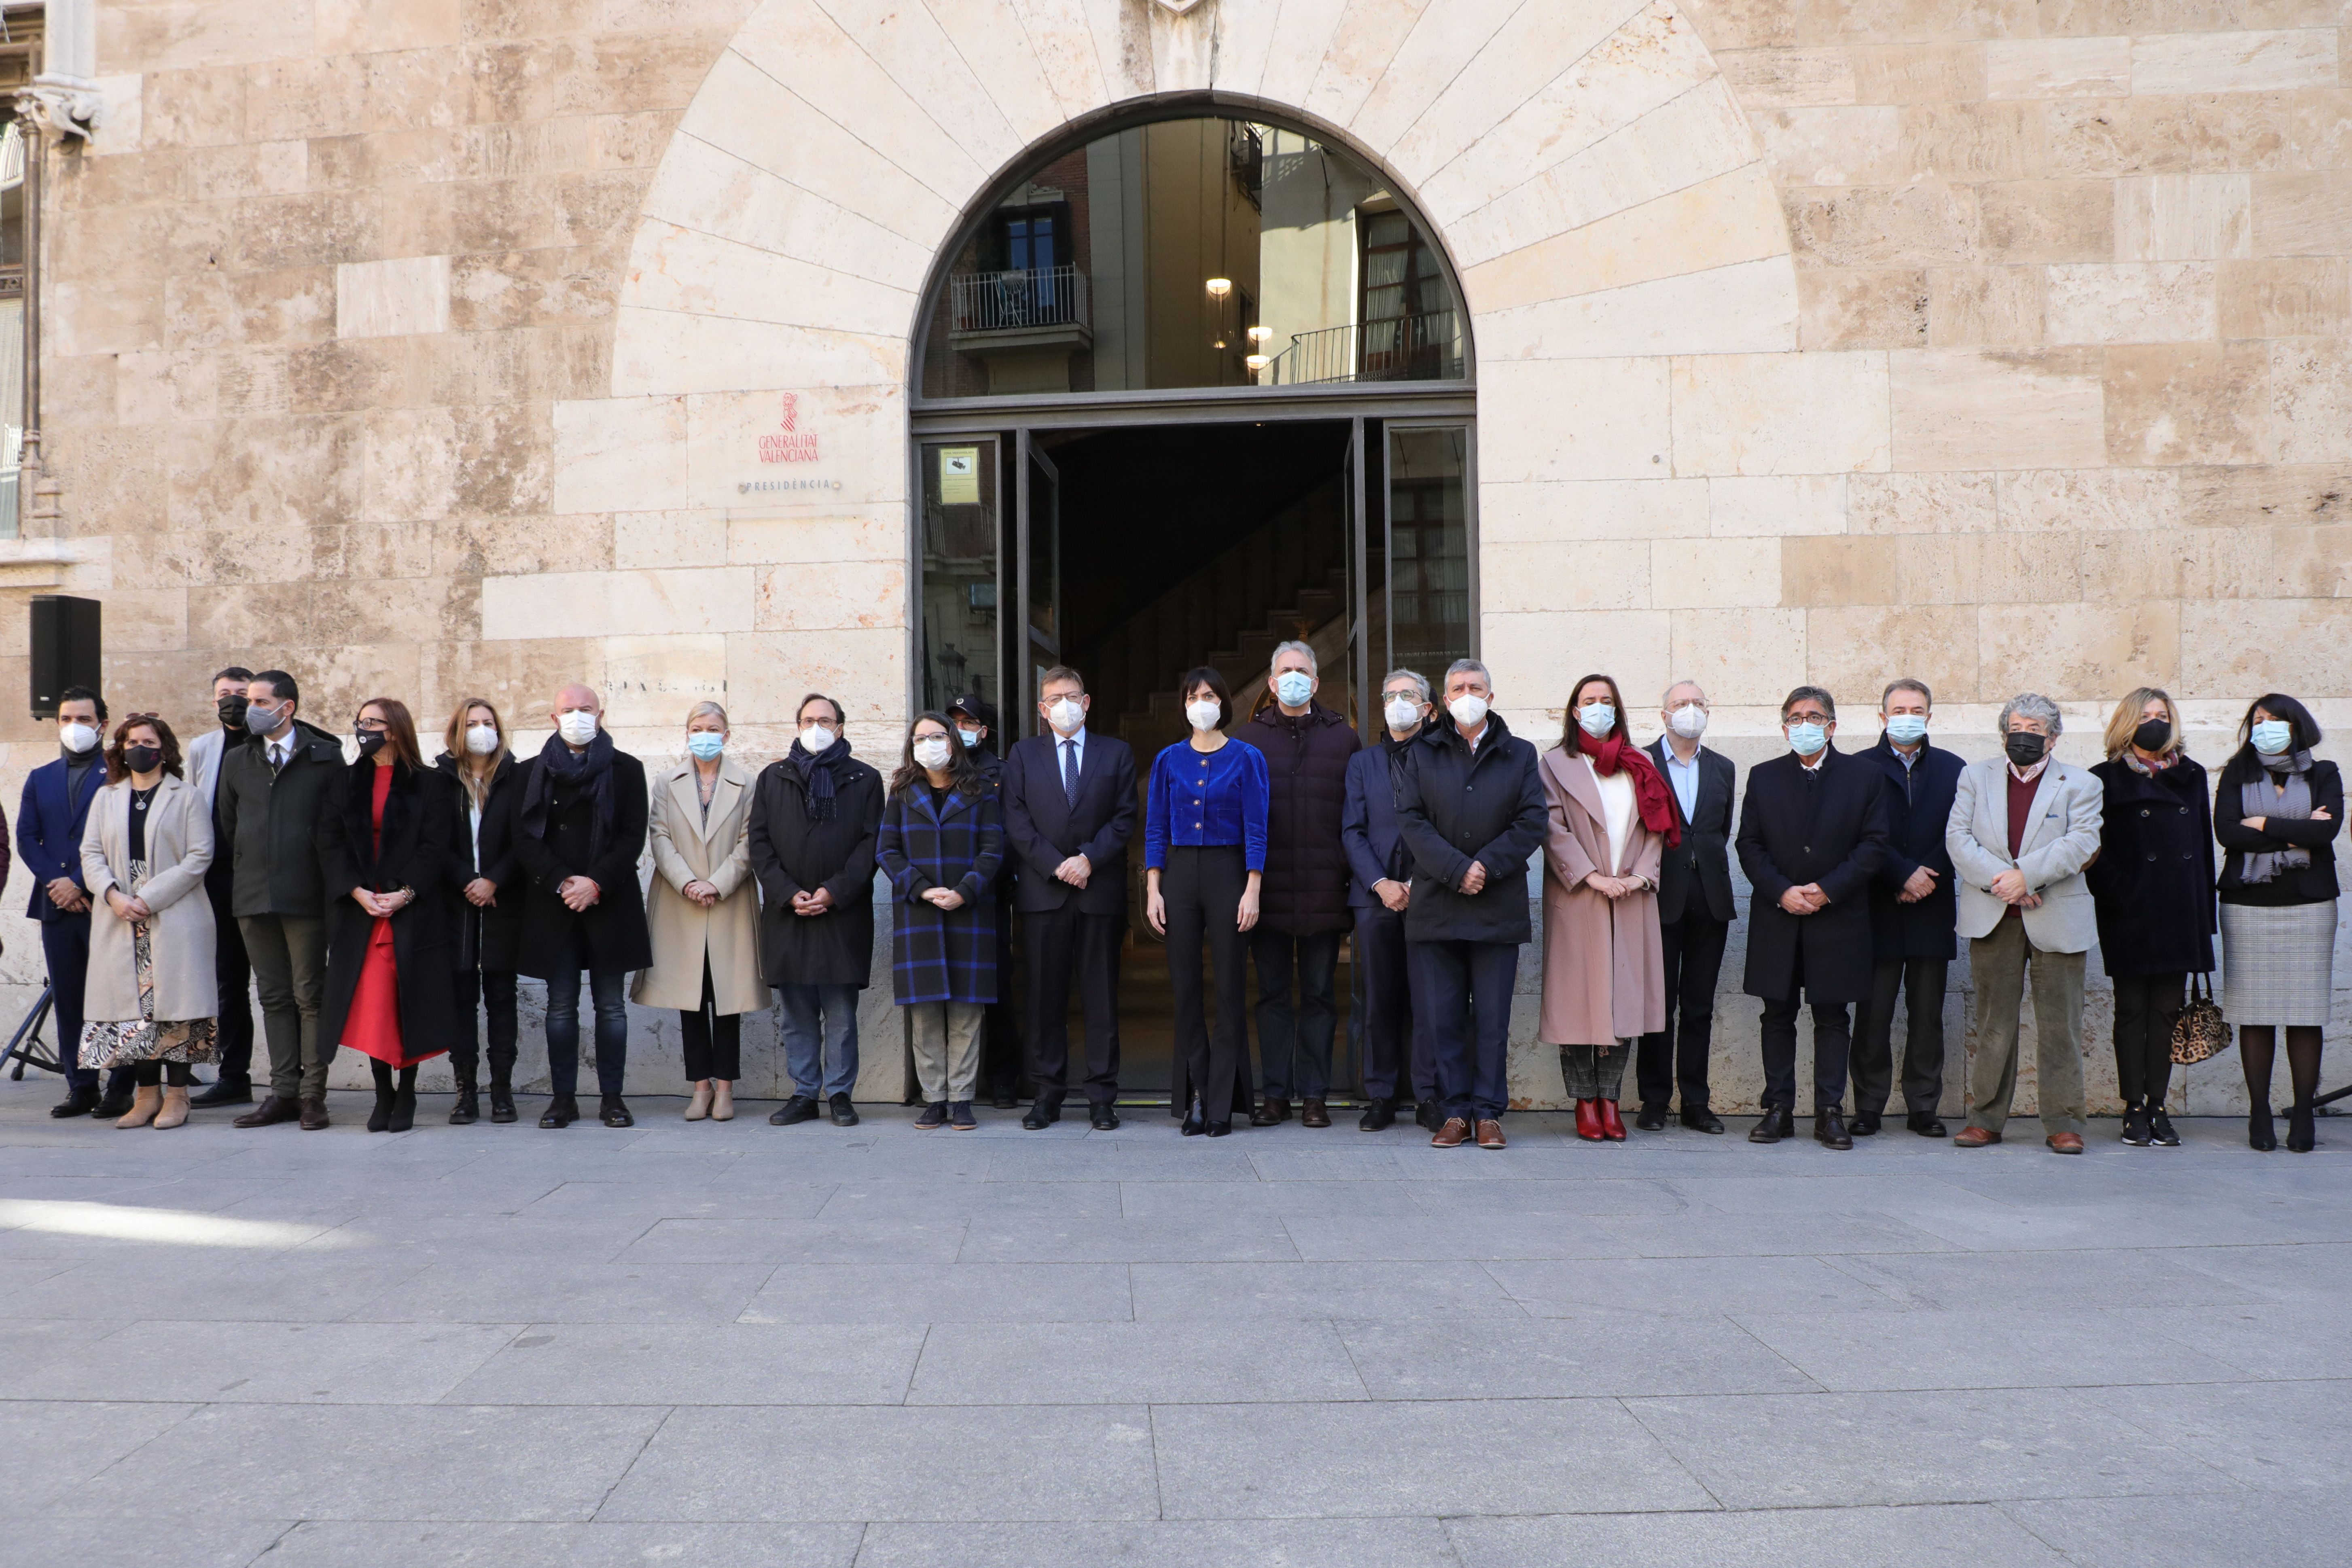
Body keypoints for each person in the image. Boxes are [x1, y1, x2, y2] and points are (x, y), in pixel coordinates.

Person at [1395, 658, 1547, 1151]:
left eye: (1475, 686)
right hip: (1438, 906)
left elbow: (1531, 821)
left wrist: (1486, 866)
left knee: (1492, 1020)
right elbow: (1412, 821)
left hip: (1496, 906)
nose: (1467, 694)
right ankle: (1455, 1111)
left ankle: (1488, 1114)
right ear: (1443, 699)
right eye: (1458, 687)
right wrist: (1457, 869)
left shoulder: (1520, 754)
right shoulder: (1422, 752)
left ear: (1491, 696)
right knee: (1443, 1018)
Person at [1946, 693, 2103, 1155]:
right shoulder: (1975, 776)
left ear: (2052, 737)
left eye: (2035, 729)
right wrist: (2006, 884)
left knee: (2062, 1024)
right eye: (2017, 727)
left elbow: (2082, 842)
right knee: (1995, 1022)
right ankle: (1986, 1119)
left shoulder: (2081, 783)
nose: (2024, 736)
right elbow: (1959, 838)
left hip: (2056, 914)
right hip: (1994, 915)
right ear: (2003, 732)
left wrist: (2027, 877)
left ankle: (2064, 1123)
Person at [1735, 686, 1890, 1150]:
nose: (1806, 724)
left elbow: (1874, 845)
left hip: (1837, 917)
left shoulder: (1865, 776)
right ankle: (1778, 1109)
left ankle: (1829, 1111)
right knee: (1777, 1014)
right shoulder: (1763, 777)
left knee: (1832, 1015)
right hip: (1778, 915)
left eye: (1815, 716)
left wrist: (1827, 891)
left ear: (1833, 725)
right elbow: (1749, 845)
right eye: (1796, 717)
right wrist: (1782, 891)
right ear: (1784, 727)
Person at [513, 684, 653, 1129]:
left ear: (601, 714)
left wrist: (595, 883)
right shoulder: (529, 773)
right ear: (554, 719)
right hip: (553, 905)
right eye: (568, 710)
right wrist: (562, 882)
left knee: (612, 1007)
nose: (577, 716)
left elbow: (633, 836)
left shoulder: (627, 770)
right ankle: (563, 1100)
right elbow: (523, 839)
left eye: (586, 709)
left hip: (608, 901)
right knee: (561, 1005)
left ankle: (613, 1099)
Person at [1233, 640, 1360, 1129]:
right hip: (1265, 893)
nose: (1293, 677)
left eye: (1301, 670)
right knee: (1271, 998)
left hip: (1325, 889)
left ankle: (1314, 1095)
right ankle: (1275, 1096)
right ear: (1270, 683)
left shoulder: (1342, 739)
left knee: (1320, 996)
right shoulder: (1248, 740)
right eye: (1284, 670)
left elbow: (1354, 817)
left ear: (1316, 681)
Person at [1538, 675, 1672, 1142]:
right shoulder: (1555, 763)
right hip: (1579, 897)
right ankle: (1584, 1102)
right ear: (1575, 712)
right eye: (1589, 701)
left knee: (1624, 1002)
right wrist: (1592, 876)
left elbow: (1658, 824)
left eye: (1606, 701)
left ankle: (1611, 1101)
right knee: (1579, 1004)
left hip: (1632, 896)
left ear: (1618, 710)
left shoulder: (1642, 762)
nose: (1598, 708)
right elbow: (1552, 827)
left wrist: (1639, 876)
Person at [1002, 667, 1136, 1132]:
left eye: (1071, 695)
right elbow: (1016, 821)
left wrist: (1087, 860)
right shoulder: (1022, 755)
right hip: (1044, 894)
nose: (1063, 704)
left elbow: (1124, 818)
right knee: (1044, 1000)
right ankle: (1047, 1094)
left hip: (1098, 892)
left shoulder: (1116, 753)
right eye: (1054, 698)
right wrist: (1056, 864)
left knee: (1101, 998)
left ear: (1087, 701)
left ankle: (1102, 1097)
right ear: (1042, 709)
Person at [318, 699, 458, 1134]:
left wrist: (406, 892)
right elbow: (328, 840)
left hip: (411, 911)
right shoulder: (343, 781)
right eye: (359, 722)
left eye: (372, 723)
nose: (364, 730)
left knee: (407, 1003)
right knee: (375, 1006)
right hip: (362, 912)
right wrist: (356, 891)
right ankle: (383, 1092)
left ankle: (408, 1091)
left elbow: (436, 847)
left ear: (394, 730)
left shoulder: (432, 784)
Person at [217, 671, 347, 1131]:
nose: (247, 707)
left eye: (258, 700)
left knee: (310, 995)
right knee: (273, 997)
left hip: (307, 897)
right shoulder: (238, 761)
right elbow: (230, 827)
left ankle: (313, 1095)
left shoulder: (326, 758)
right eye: (247, 699)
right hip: (253, 896)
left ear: (286, 706)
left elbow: (337, 828)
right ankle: (282, 1092)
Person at [750, 692, 884, 1129]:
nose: (817, 728)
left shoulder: (865, 779)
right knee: (797, 1015)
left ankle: (841, 1094)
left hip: (841, 915)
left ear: (841, 728)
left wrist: (833, 891)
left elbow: (871, 845)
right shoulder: (774, 778)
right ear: (797, 725)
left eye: (826, 720)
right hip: (788, 914)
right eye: (809, 720)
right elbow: (760, 844)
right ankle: (805, 1092)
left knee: (841, 1015)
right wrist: (789, 893)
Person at [2087, 688, 2214, 1148]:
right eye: (2146, 715)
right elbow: (2091, 849)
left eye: (2163, 715)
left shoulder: (2193, 775)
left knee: (2166, 1011)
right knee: (2131, 1010)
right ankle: (2132, 1107)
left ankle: (2158, 1104)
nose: (2156, 722)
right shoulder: (2103, 778)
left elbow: (2202, 849)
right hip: (2130, 910)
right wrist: (2119, 891)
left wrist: (2205, 917)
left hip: (2180, 909)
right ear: (2127, 722)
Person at [77, 716, 218, 1129]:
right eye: (132, 741)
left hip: (173, 912)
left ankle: (177, 1097)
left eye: (149, 741)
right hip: (120, 916)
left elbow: (199, 856)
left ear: (164, 747)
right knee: (134, 1010)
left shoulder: (186, 795)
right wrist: (114, 896)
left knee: (175, 1008)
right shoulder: (106, 797)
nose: (140, 747)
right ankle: (145, 1096)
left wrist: (148, 898)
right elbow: (90, 854)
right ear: (121, 748)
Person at [2214, 693, 2341, 1153]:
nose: (2264, 726)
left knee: (2306, 1016)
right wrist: (2297, 828)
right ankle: (2260, 1112)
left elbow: (2326, 832)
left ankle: (2304, 1113)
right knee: (2256, 1015)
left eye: (2274, 720)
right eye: (2258, 720)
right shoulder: (2237, 772)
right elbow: (2227, 832)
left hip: (2310, 907)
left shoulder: (2323, 772)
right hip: (2247, 905)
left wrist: (2263, 822)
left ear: (2295, 726)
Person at [1145, 667, 1269, 1138]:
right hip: (1179, 876)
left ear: (1223, 703)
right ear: (1184, 703)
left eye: (1211, 694)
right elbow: (1155, 827)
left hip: (1229, 873)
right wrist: (1154, 888)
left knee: (1230, 991)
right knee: (1186, 993)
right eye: (1194, 695)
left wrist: (1253, 887)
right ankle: (1197, 1094)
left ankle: (1221, 1103)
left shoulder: (1247, 757)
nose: (1202, 702)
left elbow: (1258, 826)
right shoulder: (1168, 760)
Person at [635, 702, 765, 1123]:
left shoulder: (747, 783)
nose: (704, 734)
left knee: (729, 999)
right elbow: (659, 836)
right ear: (686, 733)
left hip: (729, 901)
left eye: (713, 728)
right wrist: (689, 882)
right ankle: (700, 1088)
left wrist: (717, 883)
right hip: (680, 902)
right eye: (697, 728)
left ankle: (726, 1089)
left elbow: (750, 842)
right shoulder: (666, 783)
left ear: (727, 735)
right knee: (690, 1001)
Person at [879, 712, 1006, 1129]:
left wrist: (964, 890)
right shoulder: (901, 790)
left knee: (968, 1009)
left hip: (968, 911)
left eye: (937, 736)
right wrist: (922, 887)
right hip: (920, 912)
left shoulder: (981, 789)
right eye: (921, 737)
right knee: (926, 1010)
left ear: (952, 742)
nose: (929, 743)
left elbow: (993, 849)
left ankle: (963, 1098)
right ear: (912, 745)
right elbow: (887, 850)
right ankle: (934, 1097)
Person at [1852, 678, 1964, 1138]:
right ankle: (1868, 1106)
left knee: (1927, 1014)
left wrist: (1925, 875)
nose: (1907, 716)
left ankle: (1923, 1105)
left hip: (1931, 905)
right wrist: (1900, 875)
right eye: (1898, 709)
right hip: (1877, 904)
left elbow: (1962, 832)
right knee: (1873, 1013)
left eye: (1916, 709)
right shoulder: (1858, 769)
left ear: (1930, 717)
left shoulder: (1955, 770)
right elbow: (1857, 835)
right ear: (1882, 717)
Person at [22, 686, 127, 1118]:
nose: (74, 728)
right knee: (70, 997)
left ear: (103, 724)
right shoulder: (40, 777)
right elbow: (28, 837)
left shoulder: (119, 774)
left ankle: (120, 1083)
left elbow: (119, 836)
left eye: (83, 720)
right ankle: (81, 1084)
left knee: (114, 996)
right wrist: (57, 883)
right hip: (56, 905)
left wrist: (82, 884)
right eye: (66, 719)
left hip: (104, 901)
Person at [1636, 680, 1735, 1134]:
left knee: (1699, 1005)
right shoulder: (1640, 763)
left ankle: (1696, 1101)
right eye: (1680, 704)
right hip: (1658, 897)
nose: (1689, 711)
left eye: (1697, 703)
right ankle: (1654, 1100)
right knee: (1659, 1005)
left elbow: (1719, 831)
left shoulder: (1724, 768)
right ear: (1664, 714)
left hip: (1710, 900)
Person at [1343, 669, 1437, 1132]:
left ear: (1427, 708)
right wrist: (1380, 882)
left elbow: (1447, 827)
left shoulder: (1443, 757)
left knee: (1428, 1000)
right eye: (1391, 695)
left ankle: (1428, 1096)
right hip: (1375, 898)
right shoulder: (1363, 764)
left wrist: (1422, 882)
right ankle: (1380, 1095)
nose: (1398, 702)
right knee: (1379, 1000)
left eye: (1409, 695)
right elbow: (1352, 831)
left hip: (1430, 896)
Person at [435, 697, 525, 1123]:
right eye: (472, 723)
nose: (481, 730)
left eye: (488, 722)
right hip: (455, 905)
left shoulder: (516, 775)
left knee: (502, 998)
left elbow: (526, 837)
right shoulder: (439, 779)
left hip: (502, 901)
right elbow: (433, 841)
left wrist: (494, 880)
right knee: (459, 999)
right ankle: (465, 1091)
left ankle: (502, 1091)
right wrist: (466, 881)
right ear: (458, 730)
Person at [186, 667, 259, 1109]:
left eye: (241, 694)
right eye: (224, 695)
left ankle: (299, 1077)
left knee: (278, 984)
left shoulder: (268, 746)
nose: (232, 701)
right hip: (215, 881)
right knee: (228, 982)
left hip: (260, 880)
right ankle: (235, 1075)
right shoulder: (203, 748)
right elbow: (194, 806)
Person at [948, 692, 1023, 1110]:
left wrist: (988, 879)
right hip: (944, 893)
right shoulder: (936, 768)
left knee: (995, 990)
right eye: (955, 721)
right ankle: (953, 1081)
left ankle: (1003, 1078)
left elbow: (1012, 833)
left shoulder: (1002, 773)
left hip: (988, 895)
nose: (960, 729)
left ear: (984, 730)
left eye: (968, 722)